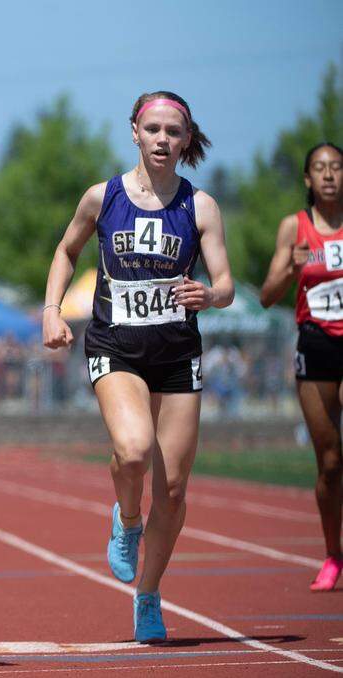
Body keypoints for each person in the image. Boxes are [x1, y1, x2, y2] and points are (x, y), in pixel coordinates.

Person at [41, 92, 233, 642]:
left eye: (174, 131)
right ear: (134, 133)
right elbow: (65, 251)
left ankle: (147, 595)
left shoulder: (201, 207)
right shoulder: (103, 198)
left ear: (187, 139)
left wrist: (210, 295)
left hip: (177, 355)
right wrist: (52, 311)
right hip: (116, 346)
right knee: (133, 449)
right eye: (153, 129)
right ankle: (127, 521)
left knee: (172, 489)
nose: (162, 139)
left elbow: (226, 284)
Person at [259, 141, 343, 592]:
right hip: (315, 344)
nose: (329, 175)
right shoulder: (296, 227)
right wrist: (291, 269)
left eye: (336, 167)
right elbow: (267, 296)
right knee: (330, 461)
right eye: (320, 168)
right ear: (308, 179)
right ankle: (334, 553)